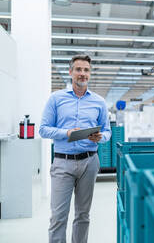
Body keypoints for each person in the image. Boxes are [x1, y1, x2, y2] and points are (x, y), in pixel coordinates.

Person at [39, 55, 111, 243]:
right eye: (78, 69)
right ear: (70, 72)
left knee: (83, 215)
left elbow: (107, 131)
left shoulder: (99, 102)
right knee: (58, 217)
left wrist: (101, 137)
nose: (82, 74)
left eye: (86, 70)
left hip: (89, 162)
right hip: (63, 162)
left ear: (90, 73)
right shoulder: (56, 98)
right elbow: (43, 129)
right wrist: (67, 132)